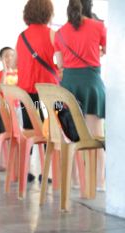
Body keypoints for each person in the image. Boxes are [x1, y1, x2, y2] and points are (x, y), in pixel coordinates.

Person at [54, 0, 106, 190]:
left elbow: (60, 64)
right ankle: (99, 182)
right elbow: (107, 51)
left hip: (67, 87)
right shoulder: (99, 27)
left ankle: (75, 181)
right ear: (89, 6)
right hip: (92, 84)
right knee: (97, 137)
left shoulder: (59, 33)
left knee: (71, 135)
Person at [16, 0, 58, 182]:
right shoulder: (52, 35)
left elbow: (19, 63)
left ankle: (24, 171)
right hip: (50, 90)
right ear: (48, 13)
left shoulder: (21, 36)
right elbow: (60, 61)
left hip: (26, 92)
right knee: (53, 129)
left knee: (30, 130)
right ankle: (48, 173)